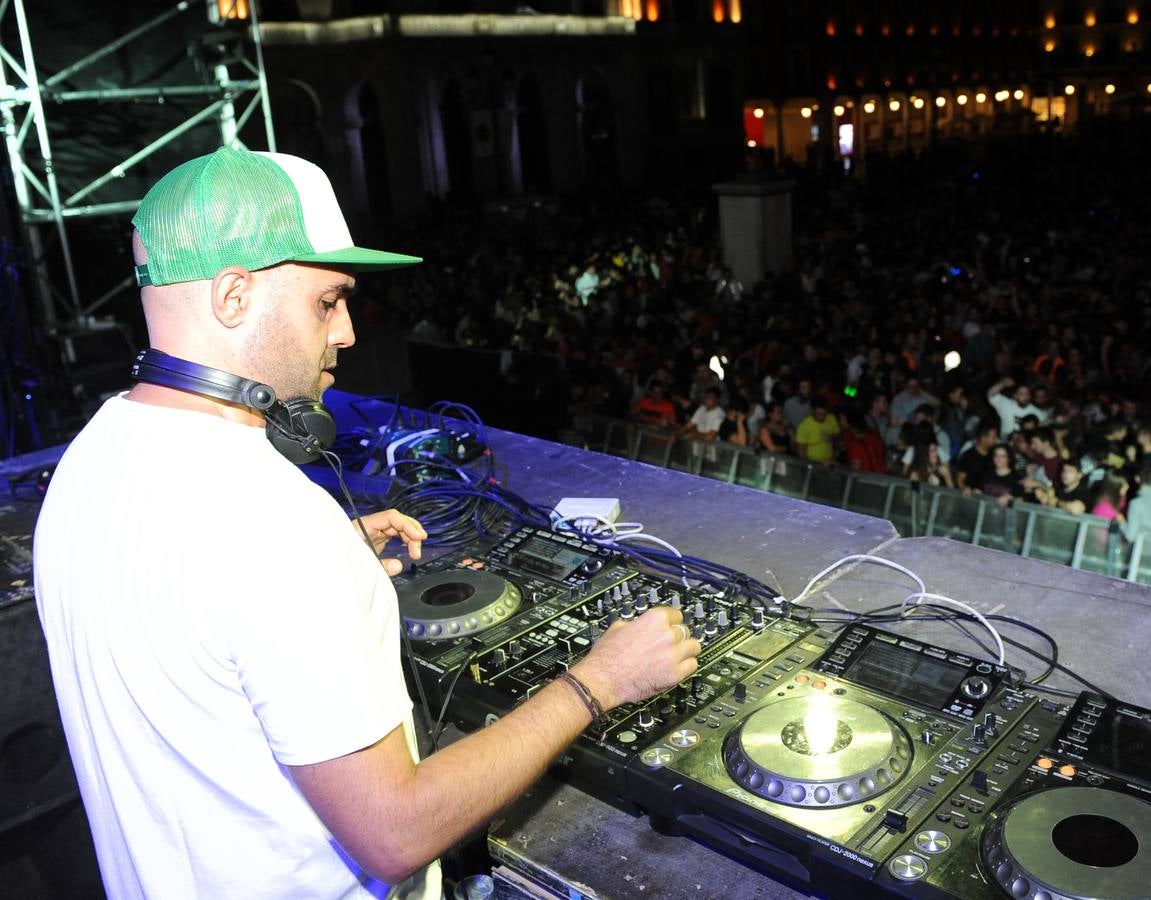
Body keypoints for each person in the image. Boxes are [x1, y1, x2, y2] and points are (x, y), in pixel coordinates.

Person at [33, 147, 700, 900]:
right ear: (232, 297)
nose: (348, 330)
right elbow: (396, 832)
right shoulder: (273, 527)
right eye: (328, 300)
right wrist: (600, 680)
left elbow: (181, 600)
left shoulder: (91, 459)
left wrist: (318, 571)